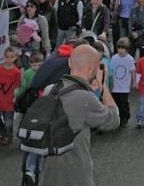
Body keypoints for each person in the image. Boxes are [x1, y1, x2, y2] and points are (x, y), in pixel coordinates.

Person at [39, 45, 120, 186]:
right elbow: (113, 119)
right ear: (92, 68)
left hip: (49, 175)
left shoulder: (50, 90)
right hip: (75, 176)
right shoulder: (86, 99)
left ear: (70, 63)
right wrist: (104, 87)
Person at [0, 47, 21, 145]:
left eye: (11, 57)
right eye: (7, 57)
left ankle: (8, 135)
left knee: (8, 122)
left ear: (15, 58)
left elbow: (17, 86)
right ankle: (2, 132)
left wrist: (15, 97)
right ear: (3, 57)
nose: (9, 59)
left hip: (8, 101)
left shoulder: (16, 72)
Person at [109, 37, 136, 128]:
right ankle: (118, 118)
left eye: (123, 48)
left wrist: (134, 82)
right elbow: (110, 71)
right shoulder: (114, 58)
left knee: (123, 103)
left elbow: (132, 71)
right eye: (119, 48)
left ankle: (125, 117)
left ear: (127, 49)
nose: (120, 50)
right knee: (116, 103)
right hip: (115, 86)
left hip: (124, 87)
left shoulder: (130, 59)